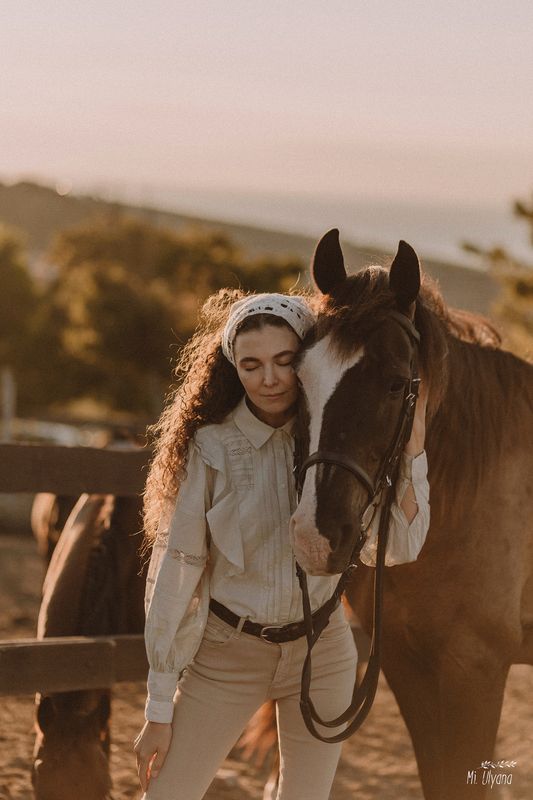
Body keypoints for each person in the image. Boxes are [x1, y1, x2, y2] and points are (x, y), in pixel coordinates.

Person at [134, 290, 430, 800]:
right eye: (251, 364)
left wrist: (414, 454)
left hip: (323, 652)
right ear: (233, 367)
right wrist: (158, 709)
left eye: (284, 361)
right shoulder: (212, 447)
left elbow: (399, 548)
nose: (268, 378)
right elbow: (175, 570)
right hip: (227, 657)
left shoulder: (334, 442)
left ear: (307, 362)